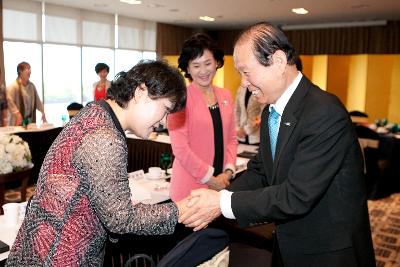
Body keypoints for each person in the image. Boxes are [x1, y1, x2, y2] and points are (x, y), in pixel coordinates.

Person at [179, 22, 376, 266]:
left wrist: (221, 203)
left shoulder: (323, 112)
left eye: (246, 71)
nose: (242, 83)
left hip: (327, 251)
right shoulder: (273, 109)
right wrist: (216, 195)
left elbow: (297, 194)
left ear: (279, 61)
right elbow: (262, 170)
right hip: (289, 244)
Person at [6, 60, 187, 266]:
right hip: (59, 256)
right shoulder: (105, 137)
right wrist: (179, 211)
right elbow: (119, 219)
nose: (164, 121)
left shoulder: (94, 113)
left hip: (40, 248)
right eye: (166, 110)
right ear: (140, 93)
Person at [167, 33, 237, 202]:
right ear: (188, 68)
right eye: (196, 65)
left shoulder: (225, 95)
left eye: (208, 63)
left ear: (216, 62)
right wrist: (210, 179)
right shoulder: (180, 99)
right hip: (189, 188)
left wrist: (227, 173)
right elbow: (181, 149)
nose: (203, 71)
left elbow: (232, 139)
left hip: (221, 186)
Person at [6, 62, 46, 126]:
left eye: (30, 69)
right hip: (16, 122)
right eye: (27, 69)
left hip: (30, 122)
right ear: (20, 71)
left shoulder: (32, 86)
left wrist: (43, 113)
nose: (30, 71)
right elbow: (9, 101)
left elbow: (38, 101)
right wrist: (17, 113)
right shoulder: (13, 86)